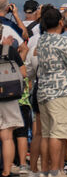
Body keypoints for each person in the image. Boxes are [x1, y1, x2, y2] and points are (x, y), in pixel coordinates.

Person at [34, 5, 67, 175]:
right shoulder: (62, 40)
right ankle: (56, 170)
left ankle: (47, 169)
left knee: (46, 133)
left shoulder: (42, 40)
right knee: (59, 132)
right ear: (60, 21)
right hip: (61, 92)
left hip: (43, 91)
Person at [0, 36, 26, 177]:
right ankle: (6, 171)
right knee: (7, 137)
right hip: (8, 97)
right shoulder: (9, 51)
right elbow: (23, 73)